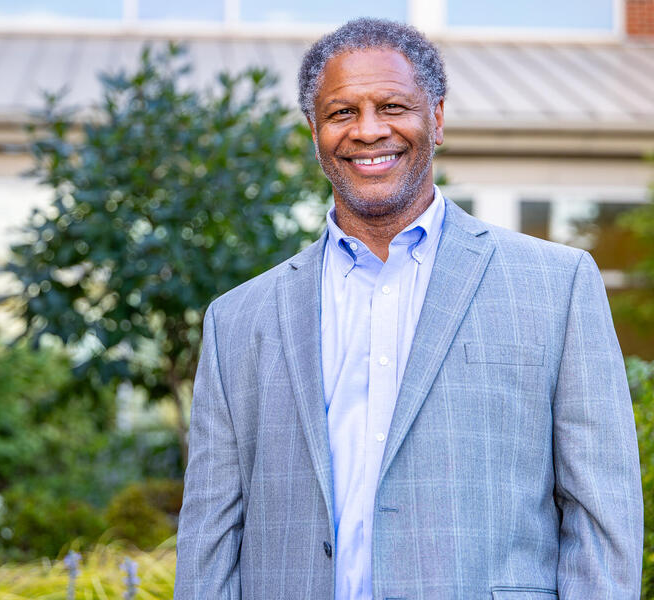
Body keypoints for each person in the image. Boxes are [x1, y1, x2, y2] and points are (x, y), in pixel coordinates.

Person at [174, 18, 643, 600]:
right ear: (314, 131)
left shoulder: (556, 286)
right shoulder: (237, 320)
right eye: (342, 112)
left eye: (392, 106)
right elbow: (210, 537)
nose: (369, 130)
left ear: (437, 118)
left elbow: (602, 517)